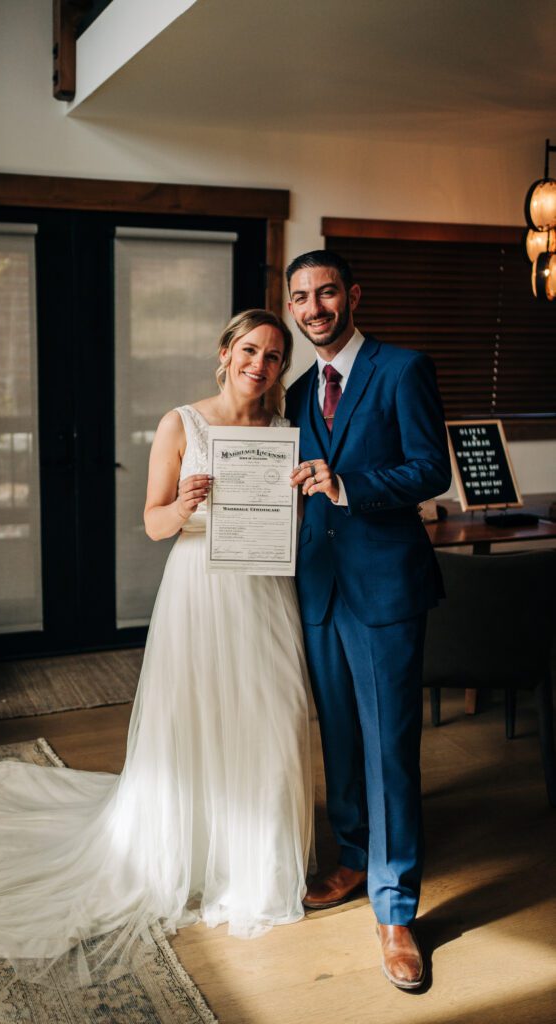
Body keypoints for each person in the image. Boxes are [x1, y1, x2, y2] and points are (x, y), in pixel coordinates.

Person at [0, 309, 313, 984]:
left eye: (275, 356)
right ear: (223, 353)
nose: (260, 363)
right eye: (249, 349)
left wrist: (297, 499)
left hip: (264, 592)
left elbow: (292, 520)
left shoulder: (286, 433)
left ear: (283, 368)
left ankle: (252, 860)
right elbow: (152, 523)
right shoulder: (182, 423)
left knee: (267, 722)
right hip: (200, 594)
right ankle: (184, 851)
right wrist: (186, 504)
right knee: (190, 722)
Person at [285, 249, 451, 991]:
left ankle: (394, 908)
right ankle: (353, 858)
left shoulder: (401, 367)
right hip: (317, 587)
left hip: (384, 589)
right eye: (299, 297)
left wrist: (347, 485)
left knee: (388, 749)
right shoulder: (292, 392)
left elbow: (428, 470)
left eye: (324, 293)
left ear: (351, 295)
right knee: (342, 741)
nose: (313, 308)